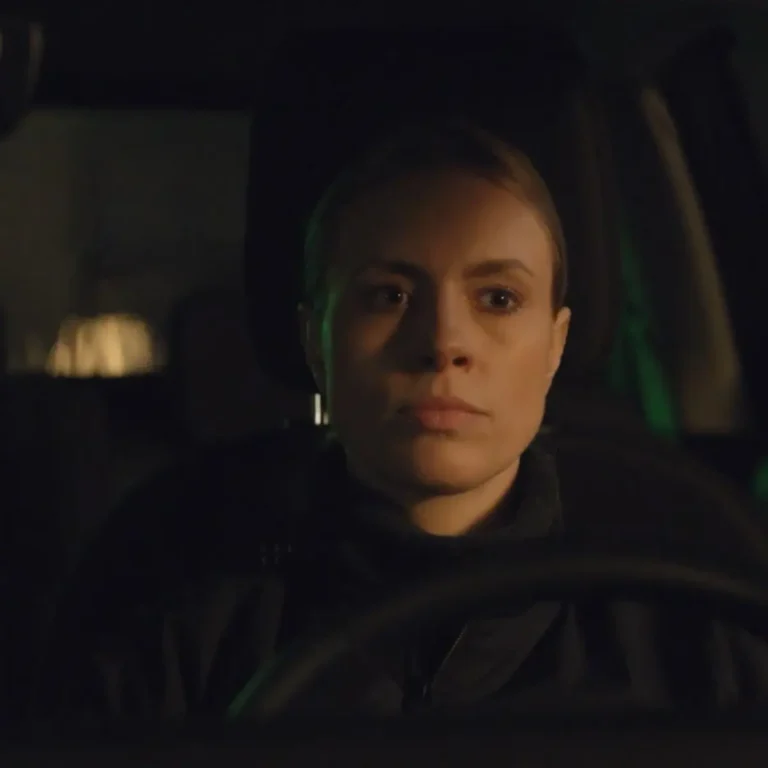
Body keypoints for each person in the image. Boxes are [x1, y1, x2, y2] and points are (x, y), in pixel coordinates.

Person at [40, 119, 768, 719]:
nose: (444, 342)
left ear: (556, 344)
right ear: (316, 343)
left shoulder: (694, 624)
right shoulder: (174, 611)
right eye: (388, 295)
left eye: (498, 299)